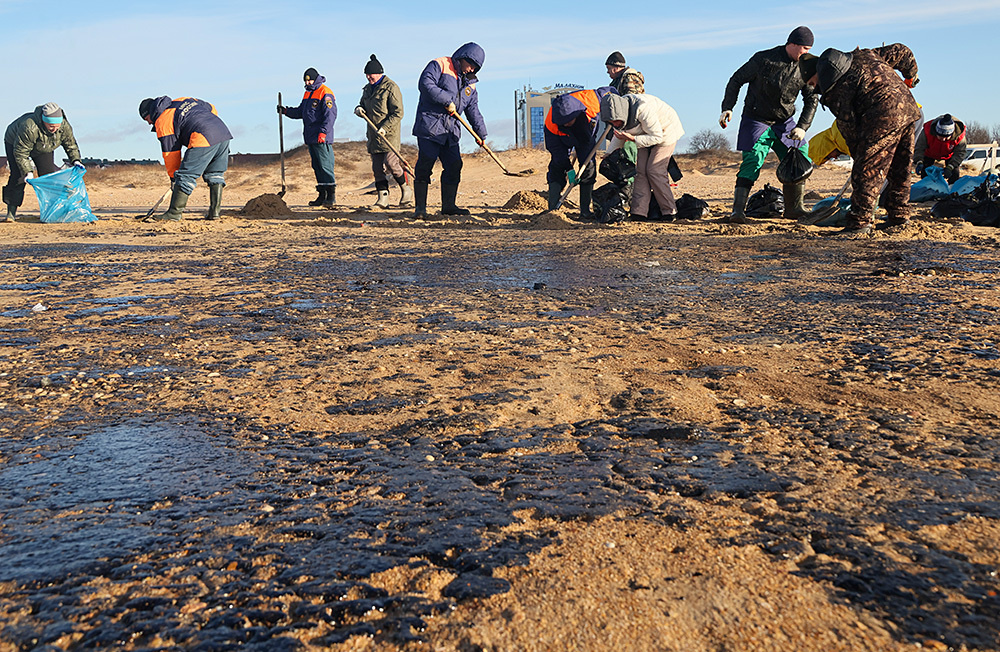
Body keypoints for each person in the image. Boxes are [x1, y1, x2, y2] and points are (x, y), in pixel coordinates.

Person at [799, 44, 920, 235]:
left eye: (812, 82)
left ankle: (860, 222)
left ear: (819, 72)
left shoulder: (833, 88)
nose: (814, 88)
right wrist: (910, 74)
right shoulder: (864, 54)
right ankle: (899, 216)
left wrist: (861, 159)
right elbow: (901, 51)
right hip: (909, 107)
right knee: (900, 166)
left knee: (867, 170)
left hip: (883, 114)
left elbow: (849, 126)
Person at [719, 26, 819, 223]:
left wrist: (802, 127)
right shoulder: (763, 59)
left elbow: (811, 99)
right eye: (805, 49)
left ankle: (794, 209)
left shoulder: (807, 66)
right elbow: (736, 79)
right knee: (752, 161)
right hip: (756, 119)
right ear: (792, 44)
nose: (807, 53)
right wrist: (727, 107)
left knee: (801, 155)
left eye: (809, 49)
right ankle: (738, 211)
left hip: (785, 121)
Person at [412, 42, 487, 218]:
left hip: (450, 133)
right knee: (425, 164)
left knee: (454, 165)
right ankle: (420, 209)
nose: (471, 70)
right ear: (463, 58)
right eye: (471, 65)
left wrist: (481, 133)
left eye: (475, 68)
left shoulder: (471, 85)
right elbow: (425, 84)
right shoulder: (440, 65)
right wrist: (446, 100)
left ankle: (449, 206)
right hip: (430, 127)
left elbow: (473, 111)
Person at [138, 96, 233, 221]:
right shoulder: (184, 100)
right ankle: (214, 213)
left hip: (203, 136)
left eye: (147, 119)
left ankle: (174, 213)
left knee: (185, 176)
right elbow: (211, 107)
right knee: (215, 174)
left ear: (150, 113)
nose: (149, 123)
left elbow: (170, 153)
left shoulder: (163, 120)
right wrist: (208, 122)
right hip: (222, 132)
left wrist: (174, 178)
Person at [600, 92, 684, 220]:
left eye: (615, 121)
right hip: (642, 135)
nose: (614, 124)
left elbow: (657, 136)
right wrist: (609, 153)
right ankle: (639, 212)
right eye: (611, 122)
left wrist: (633, 138)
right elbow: (618, 136)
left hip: (665, 132)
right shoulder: (619, 112)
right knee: (640, 172)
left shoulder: (643, 109)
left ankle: (669, 211)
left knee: (654, 170)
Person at [544, 86, 618, 216]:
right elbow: (556, 151)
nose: (566, 124)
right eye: (563, 123)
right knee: (556, 166)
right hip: (561, 138)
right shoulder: (551, 124)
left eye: (568, 121)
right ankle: (553, 209)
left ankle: (585, 210)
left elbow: (611, 92)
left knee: (588, 167)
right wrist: (568, 169)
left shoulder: (592, 101)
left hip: (585, 134)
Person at [3, 103, 82, 222]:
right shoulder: (29, 127)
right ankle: (11, 212)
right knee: (18, 176)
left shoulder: (64, 126)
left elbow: (70, 144)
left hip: (44, 147)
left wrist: (76, 160)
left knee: (48, 176)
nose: (54, 129)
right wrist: (28, 171)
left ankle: (52, 211)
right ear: (44, 121)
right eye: (51, 126)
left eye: (57, 125)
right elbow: (21, 152)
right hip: (15, 143)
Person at [355, 54, 412, 209]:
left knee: (391, 164)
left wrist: (385, 128)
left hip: (389, 135)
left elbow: (398, 112)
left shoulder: (391, 87)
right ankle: (383, 198)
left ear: (379, 73)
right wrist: (359, 109)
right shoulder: (367, 89)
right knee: (377, 168)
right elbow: (362, 105)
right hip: (373, 135)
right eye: (366, 74)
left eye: (370, 74)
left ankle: (406, 190)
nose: (368, 77)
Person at [278, 68, 338, 208]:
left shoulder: (325, 92)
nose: (308, 82)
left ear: (316, 79)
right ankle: (322, 195)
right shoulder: (308, 93)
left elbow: (330, 116)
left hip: (321, 137)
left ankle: (331, 196)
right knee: (317, 166)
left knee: (325, 166)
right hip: (311, 137)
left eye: (310, 80)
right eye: (306, 80)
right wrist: (286, 111)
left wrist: (323, 132)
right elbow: (301, 112)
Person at [914, 114, 967, 184]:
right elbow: (919, 148)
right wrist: (919, 162)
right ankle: (927, 189)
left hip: (949, 155)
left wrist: (950, 167)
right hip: (929, 153)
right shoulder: (927, 132)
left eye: (946, 137)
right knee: (925, 172)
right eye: (940, 136)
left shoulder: (959, 137)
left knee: (954, 174)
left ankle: (952, 190)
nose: (943, 139)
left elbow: (960, 153)